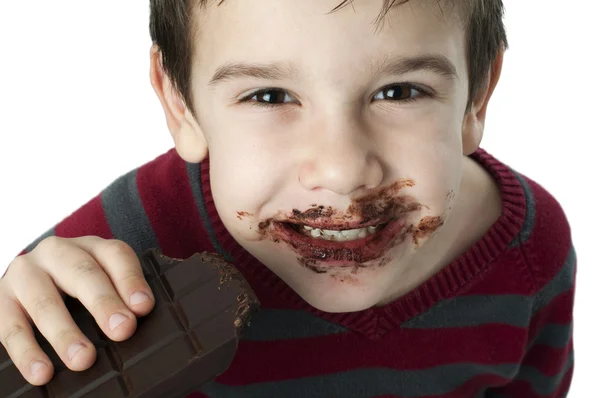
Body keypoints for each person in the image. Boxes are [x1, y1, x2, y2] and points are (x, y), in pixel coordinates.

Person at [0, 0, 575, 396]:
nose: (342, 170)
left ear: (477, 99)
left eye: (400, 91)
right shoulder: (129, 245)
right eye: (270, 96)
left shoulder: (530, 251)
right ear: (180, 104)